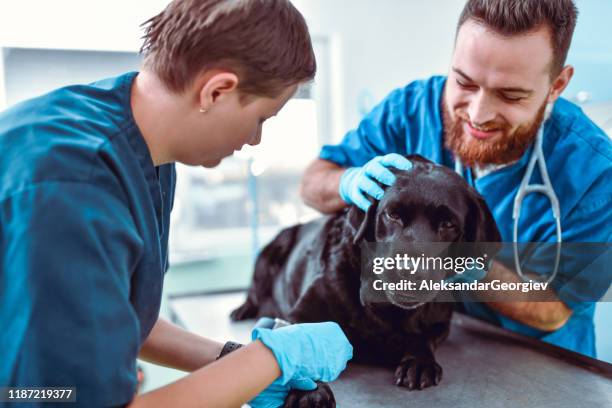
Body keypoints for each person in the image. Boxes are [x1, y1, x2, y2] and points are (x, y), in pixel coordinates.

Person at [0, 0, 352, 407]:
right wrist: (270, 359)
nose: (255, 140)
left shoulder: (145, 146)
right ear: (217, 91)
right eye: (262, 119)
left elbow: (121, 316)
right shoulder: (73, 186)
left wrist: (232, 361)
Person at [301, 0, 611, 358]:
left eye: (510, 95)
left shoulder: (595, 175)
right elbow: (313, 183)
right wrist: (347, 182)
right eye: (464, 82)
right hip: (432, 341)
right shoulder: (410, 111)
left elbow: (554, 310)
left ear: (557, 85)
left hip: (538, 361)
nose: (478, 114)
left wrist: (465, 265)